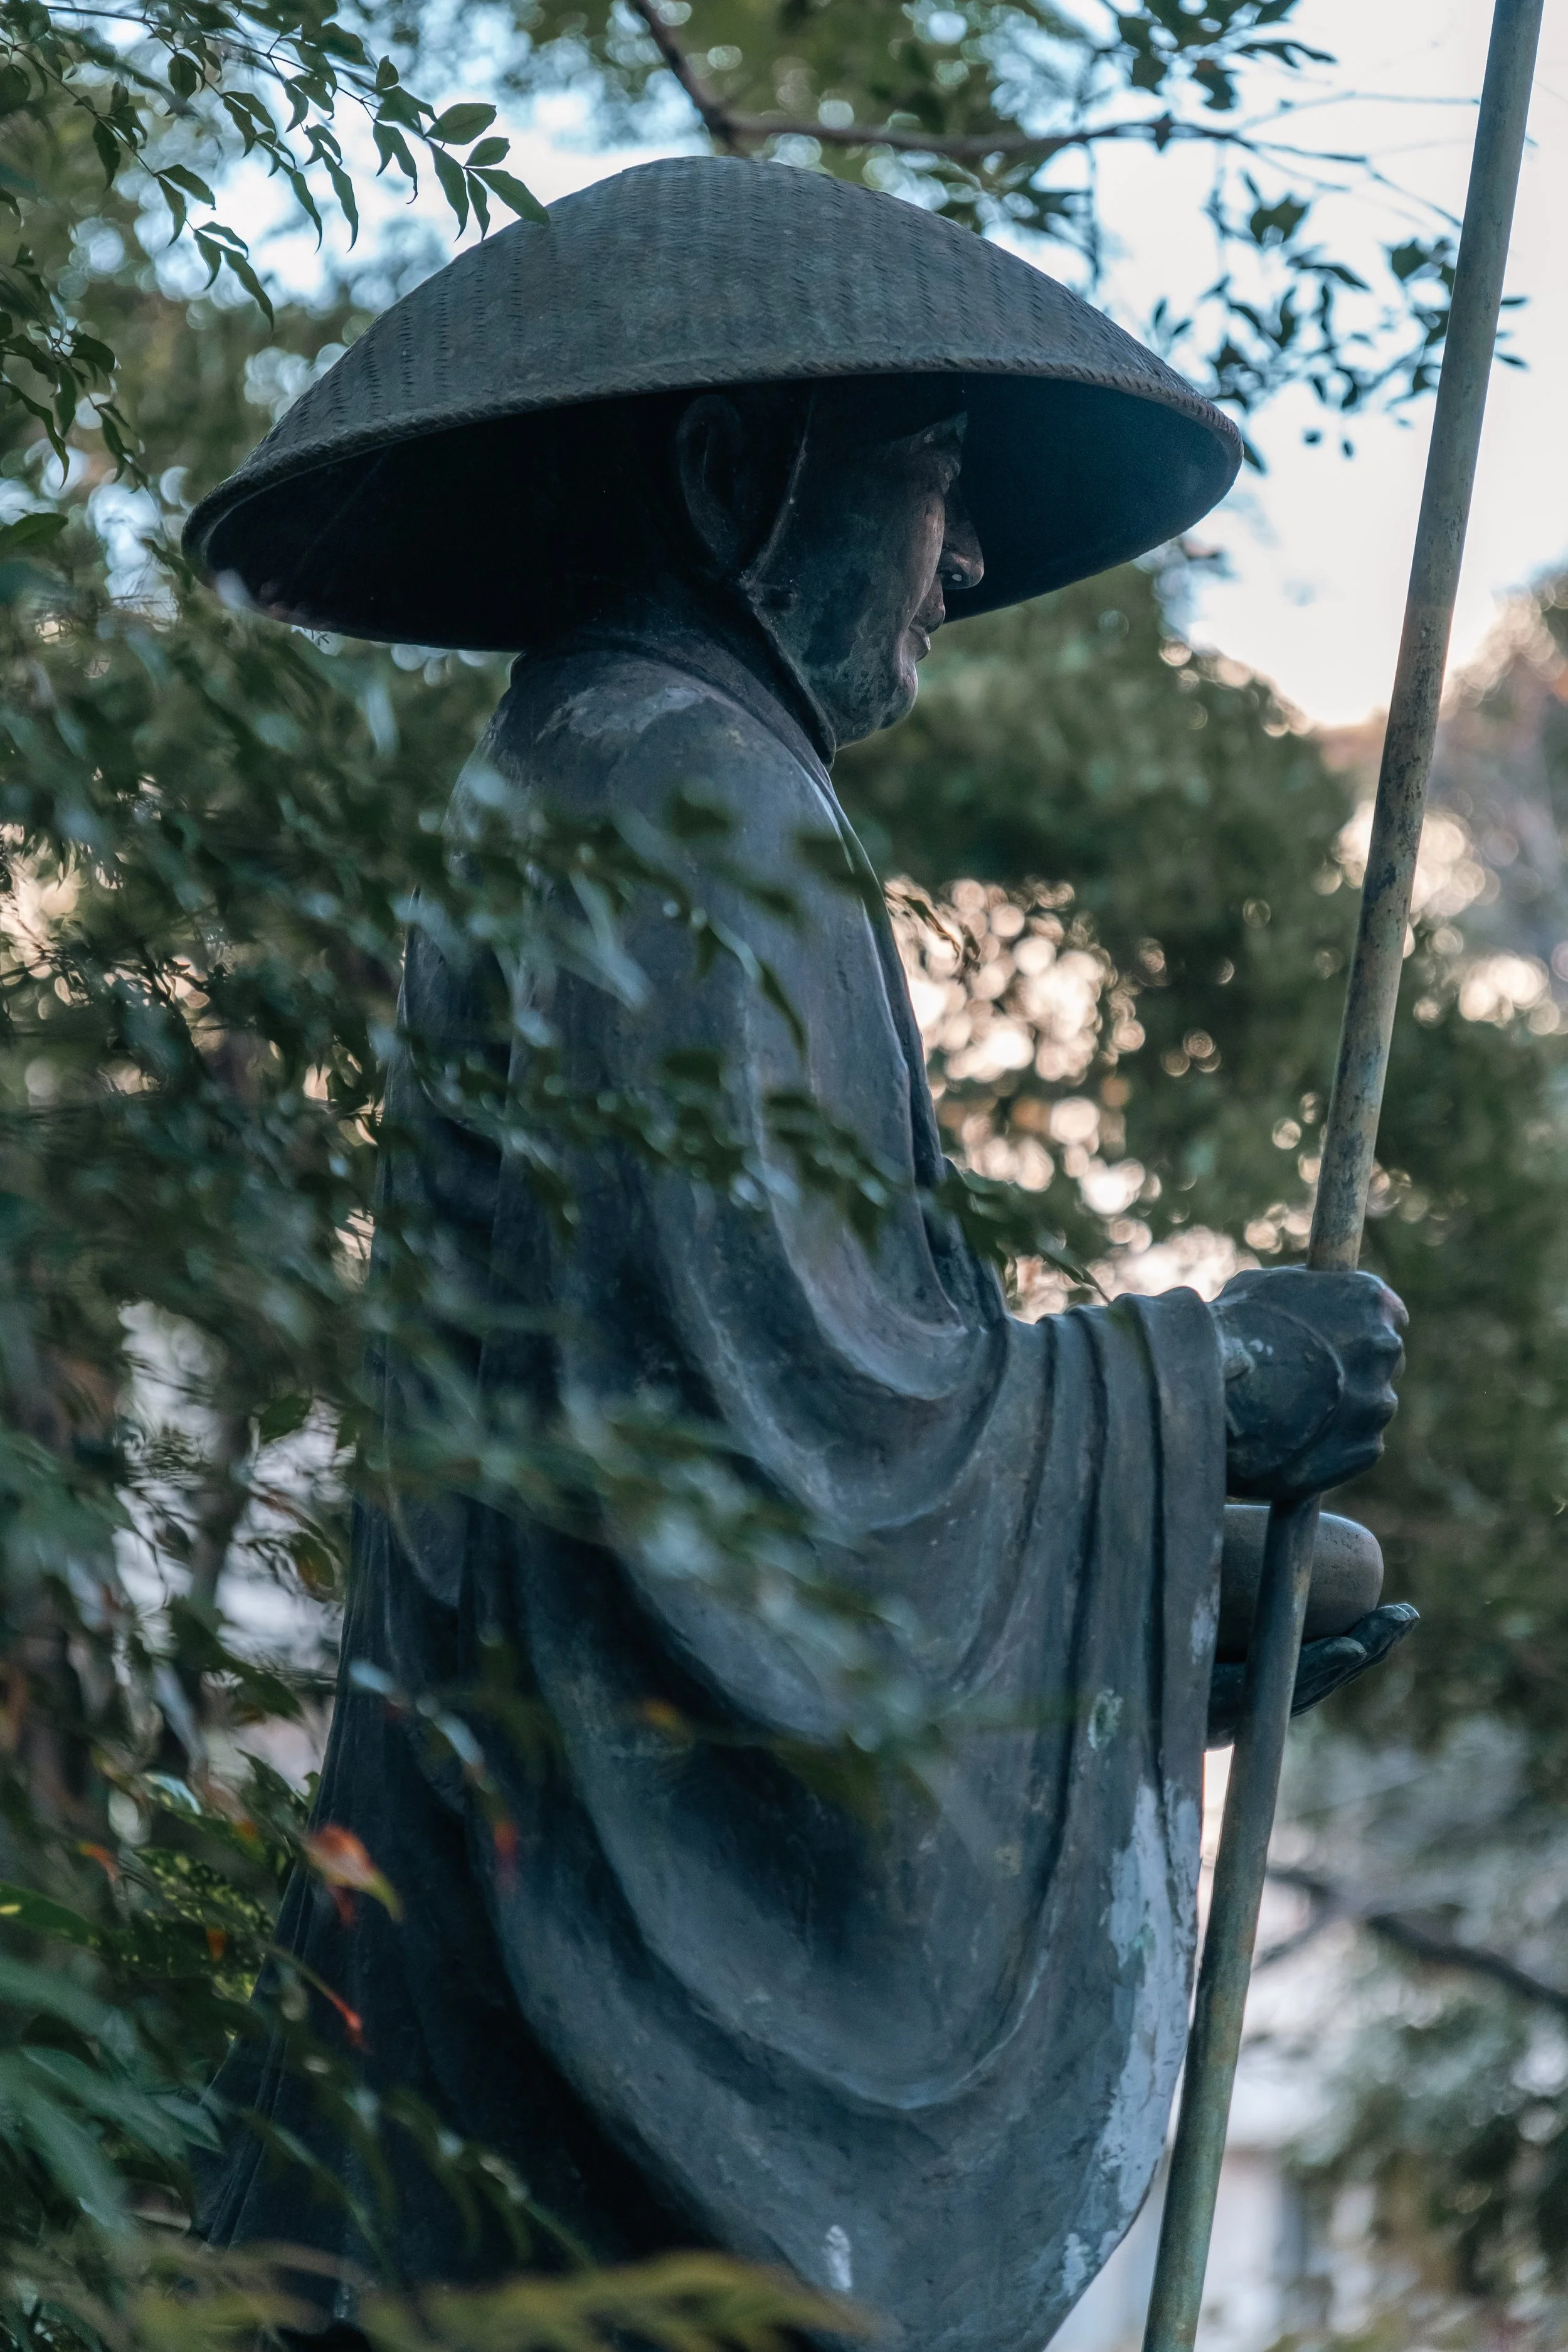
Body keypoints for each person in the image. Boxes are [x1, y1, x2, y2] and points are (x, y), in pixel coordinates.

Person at [188, 159, 1409, 2352]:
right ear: (737, 473)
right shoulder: (668, 789)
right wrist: (1201, 1391)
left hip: (530, 1839)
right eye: (931, 481)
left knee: (1299, 1577)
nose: (968, 558)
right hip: (559, 1964)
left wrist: (1134, 1608)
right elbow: (766, 1427)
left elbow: (786, 1399)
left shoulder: (640, 771)